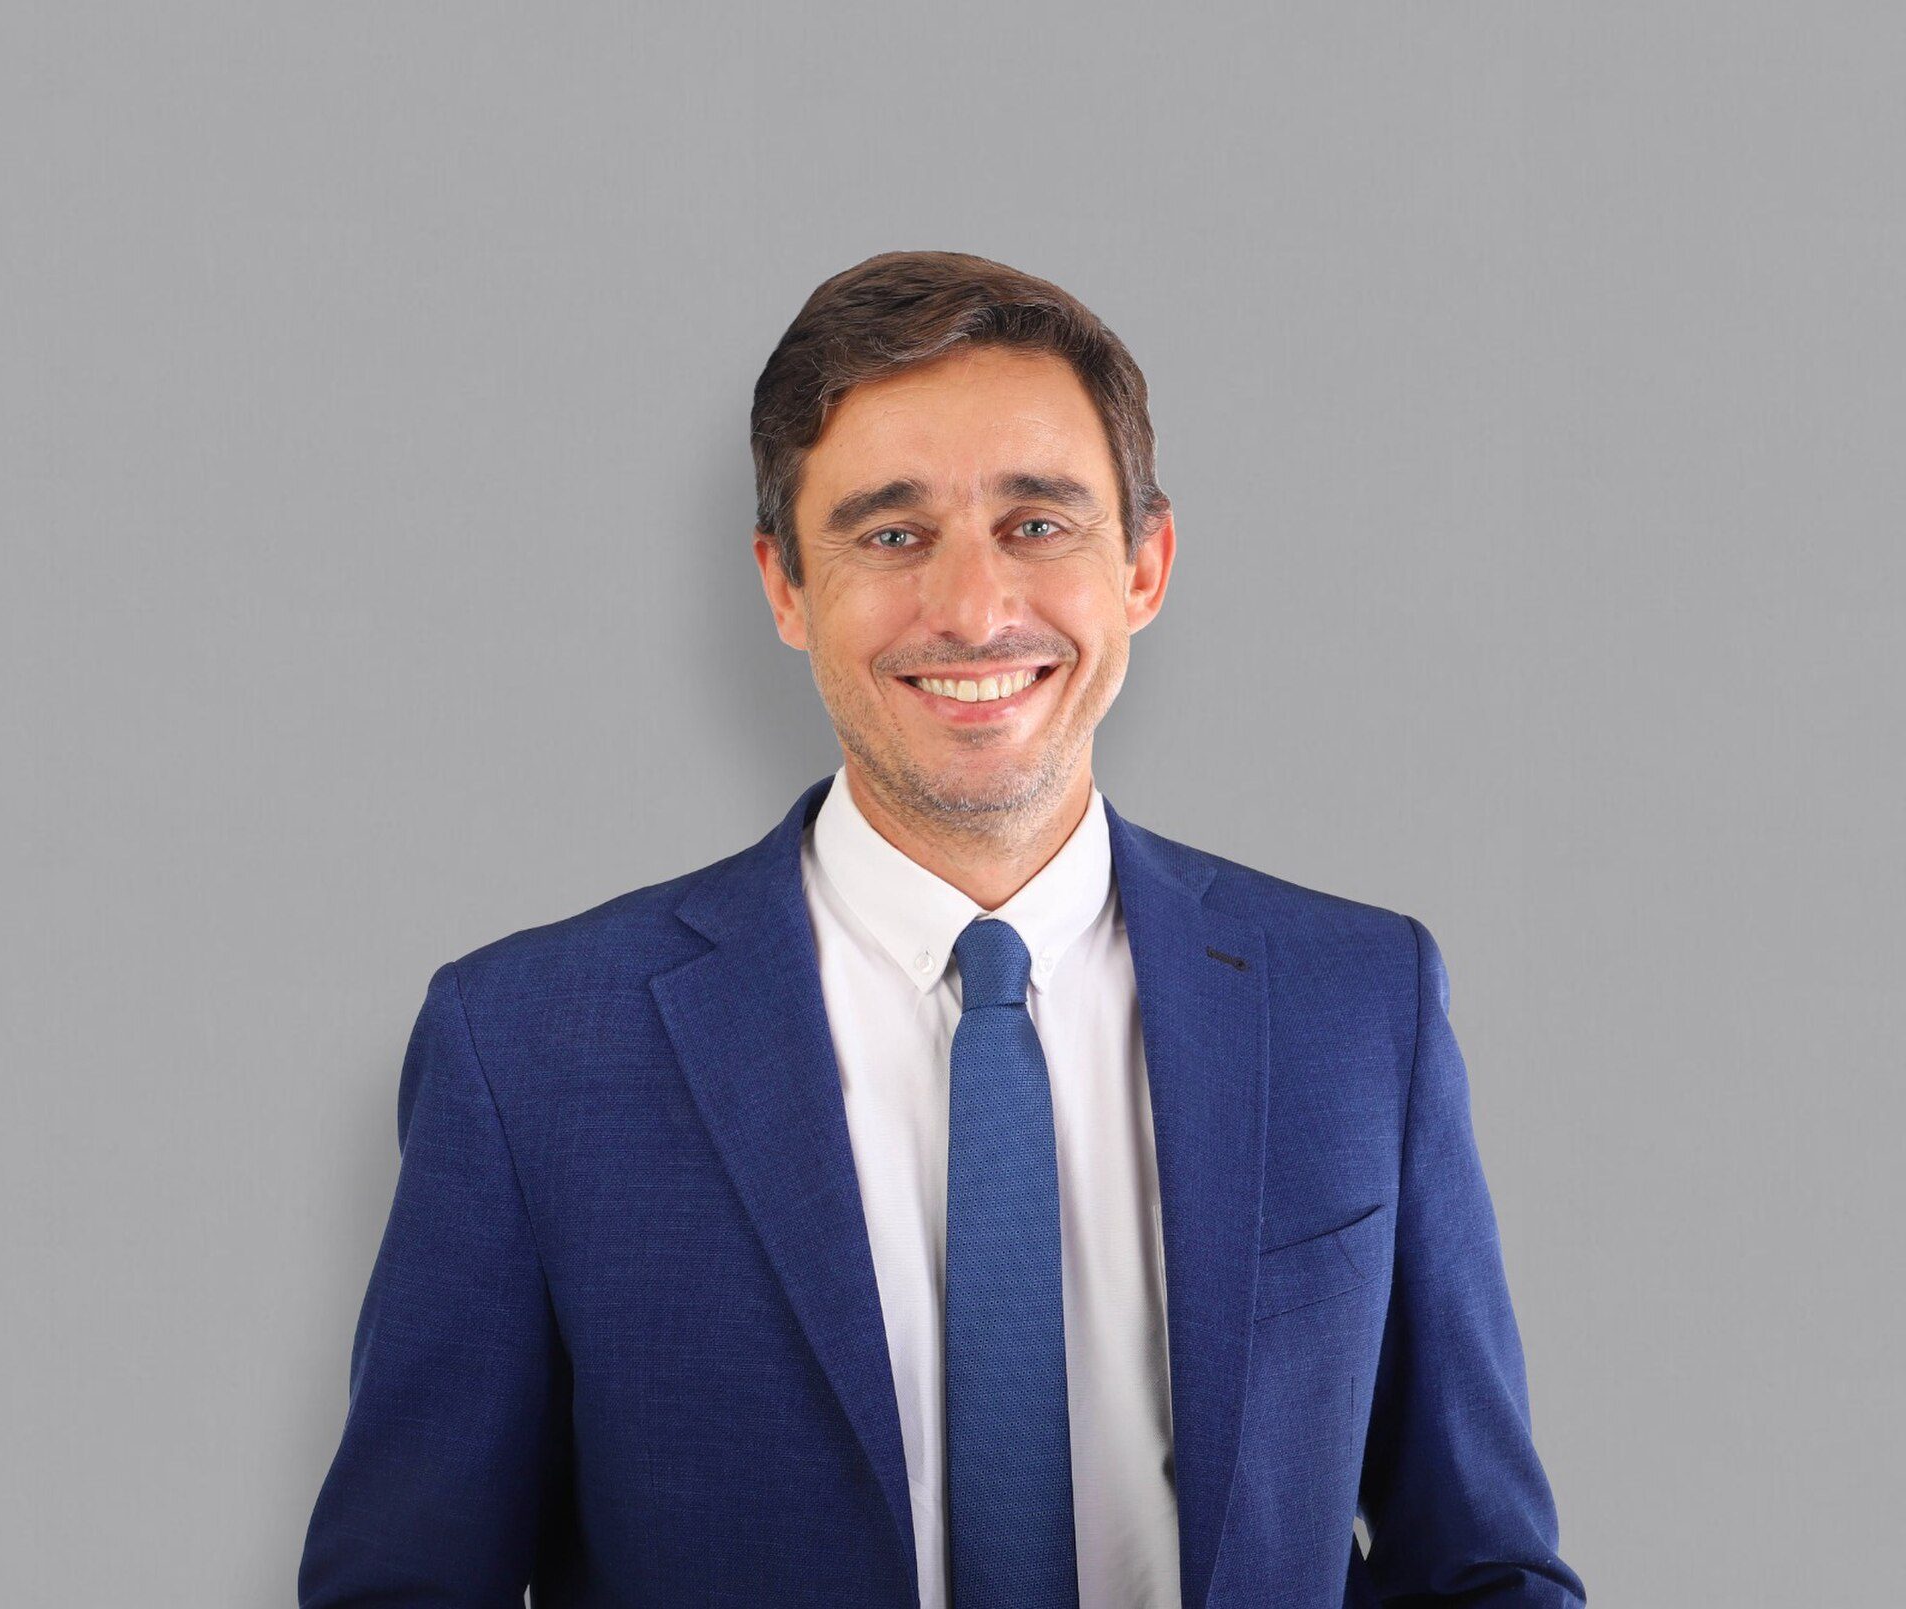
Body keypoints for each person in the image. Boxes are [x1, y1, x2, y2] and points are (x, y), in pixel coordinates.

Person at [298, 250, 1587, 1608]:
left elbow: (1482, 1565)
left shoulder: (1357, 1004)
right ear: (784, 584)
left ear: (1145, 562)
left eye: (1038, 523)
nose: (973, 609)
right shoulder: (529, 1049)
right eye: (891, 533)